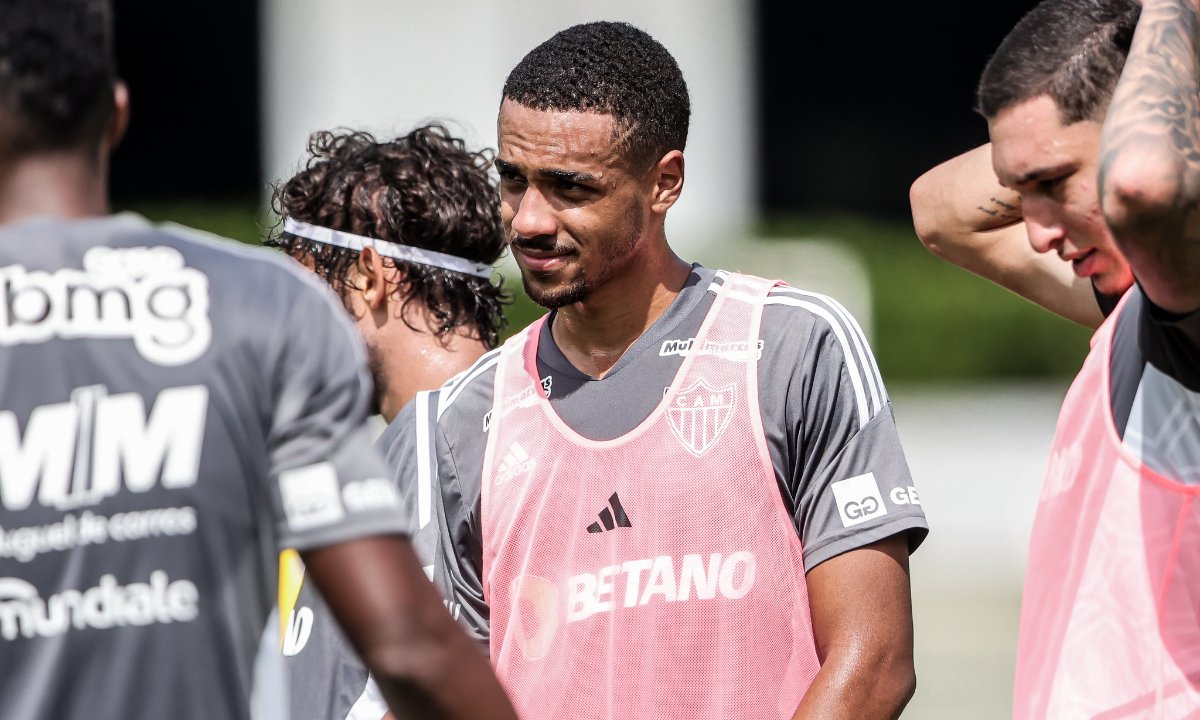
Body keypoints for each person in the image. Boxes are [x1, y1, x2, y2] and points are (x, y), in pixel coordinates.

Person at [391, 20, 928, 720]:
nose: (526, 220)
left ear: (664, 183)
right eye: (512, 179)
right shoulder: (468, 414)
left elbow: (874, 664)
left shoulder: (791, 346)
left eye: (569, 188)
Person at [0, 2, 517, 719]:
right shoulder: (255, 321)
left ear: (368, 276)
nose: (300, 298)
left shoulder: (476, 415)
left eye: (306, 274)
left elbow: (417, 650)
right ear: (115, 117)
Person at [913, 0, 1200, 715]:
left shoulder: (1186, 299)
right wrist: (1042, 146)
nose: (1035, 232)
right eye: (1019, 192)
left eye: (1051, 184)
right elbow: (938, 209)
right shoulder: (1132, 303)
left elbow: (1143, 186)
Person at [264, 125, 508, 720]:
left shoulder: (455, 431)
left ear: (369, 276)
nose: (288, 329)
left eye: (302, 290)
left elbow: (432, 678)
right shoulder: (405, 439)